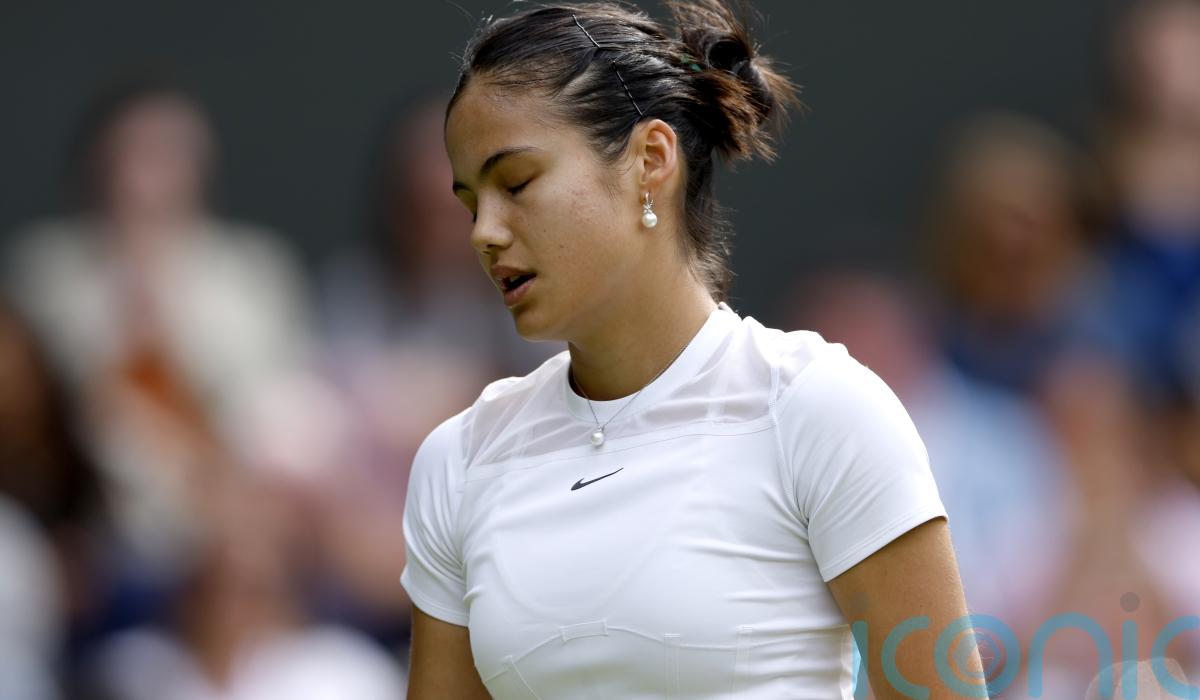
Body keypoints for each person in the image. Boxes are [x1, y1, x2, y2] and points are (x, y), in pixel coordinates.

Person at [400, 2, 979, 698]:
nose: (483, 232)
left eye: (516, 183)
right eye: (471, 202)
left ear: (650, 160)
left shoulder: (819, 408)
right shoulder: (459, 462)